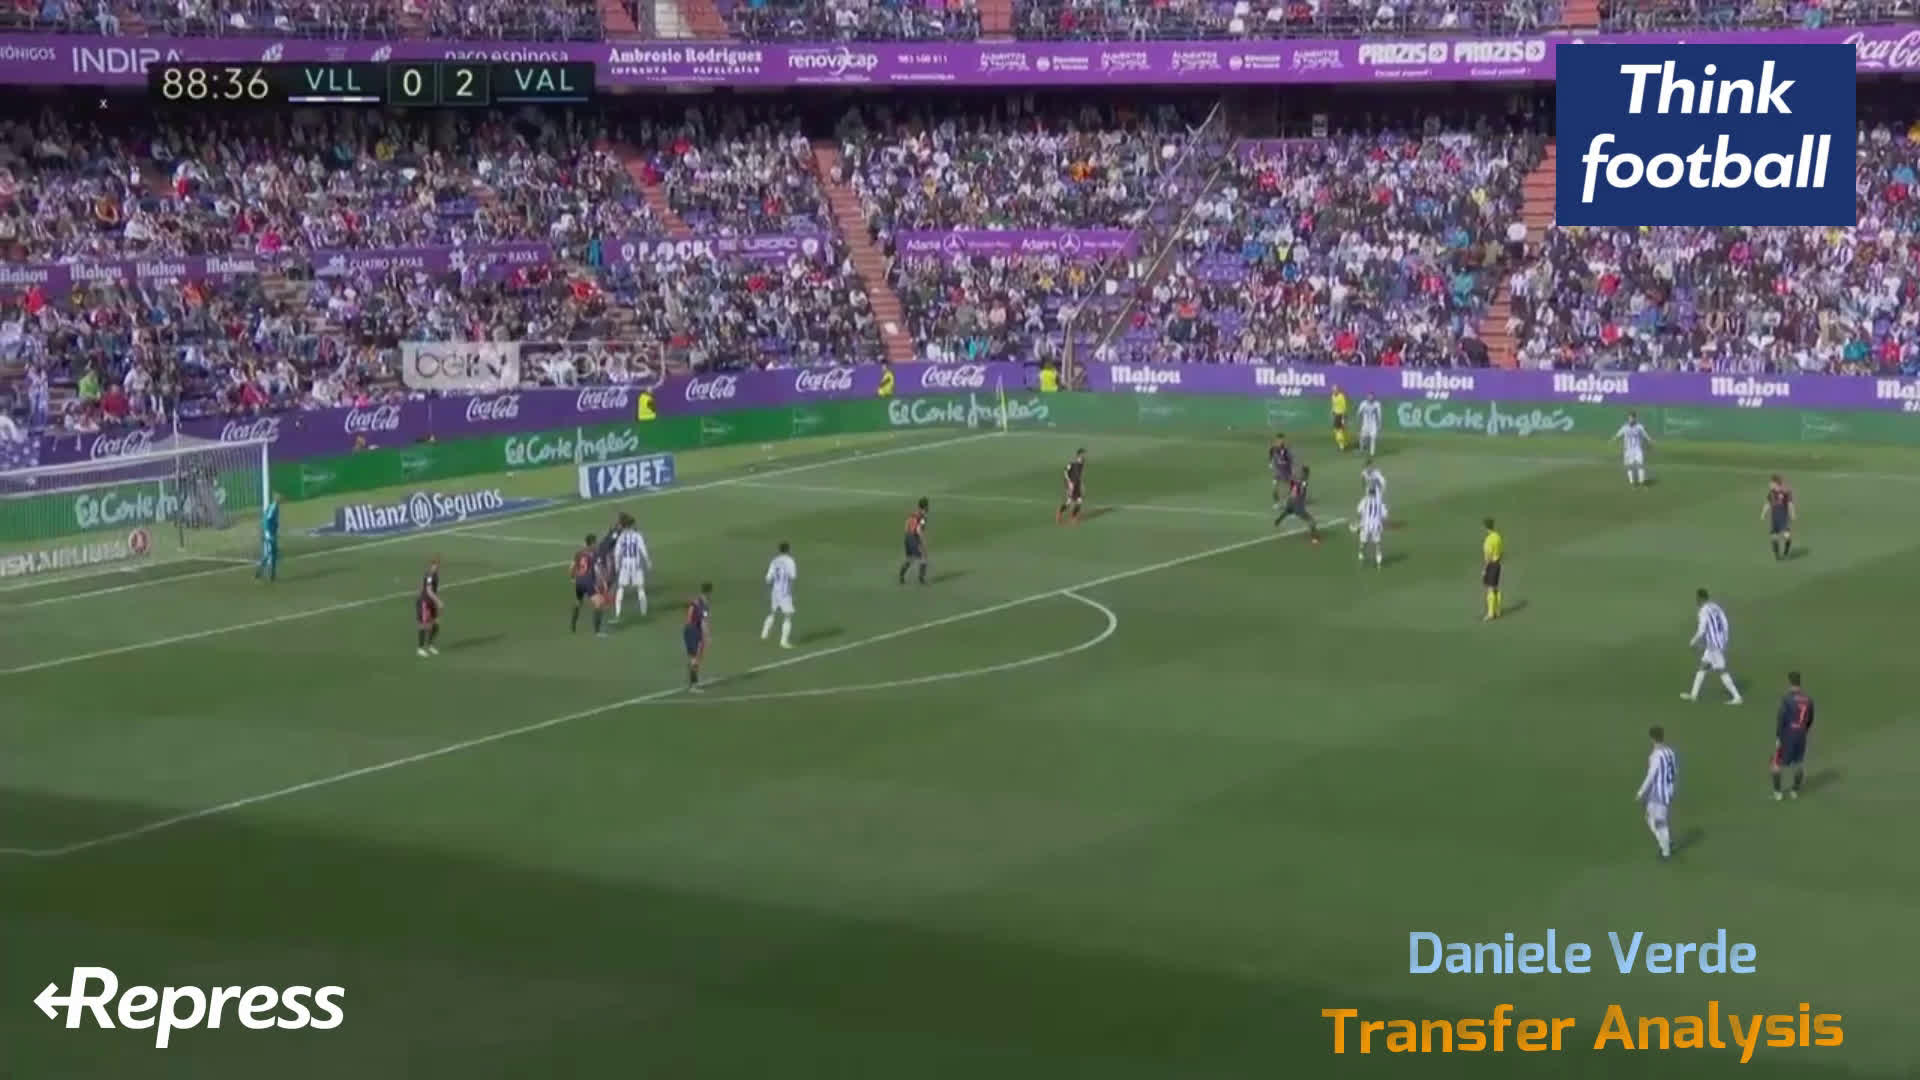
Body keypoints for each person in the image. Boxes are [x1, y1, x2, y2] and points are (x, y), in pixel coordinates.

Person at [1683, 588, 1743, 704]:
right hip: (1718, 642)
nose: (1696, 600)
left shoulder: (1703, 611)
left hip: (1714, 645)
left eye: (1697, 598)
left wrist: (1693, 641)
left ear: (1700, 598)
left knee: (1721, 670)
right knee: (1703, 666)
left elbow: (1702, 629)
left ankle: (1737, 697)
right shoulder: (1715, 607)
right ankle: (1693, 695)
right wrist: (1724, 638)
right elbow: (1725, 622)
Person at [1635, 725, 1677, 861]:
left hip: (1658, 793)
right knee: (1650, 818)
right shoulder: (1670, 752)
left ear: (1652, 738)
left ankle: (1666, 852)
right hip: (1667, 791)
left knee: (1659, 822)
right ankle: (1666, 842)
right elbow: (1674, 771)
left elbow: (1651, 776)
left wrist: (1641, 792)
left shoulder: (1656, 756)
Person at [1772, 671, 1815, 801]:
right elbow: (1810, 719)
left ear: (1789, 682)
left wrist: (1778, 737)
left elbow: (1781, 719)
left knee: (1776, 764)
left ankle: (1778, 793)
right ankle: (1795, 791)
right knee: (1798, 763)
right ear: (1799, 682)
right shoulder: (1808, 700)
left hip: (1788, 735)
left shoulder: (1787, 699)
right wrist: (1803, 731)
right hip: (1801, 735)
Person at [612, 513, 650, 620]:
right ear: (632, 525)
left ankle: (618, 613)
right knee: (640, 588)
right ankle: (643, 613)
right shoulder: (638, 536)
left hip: (625, 565)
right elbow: (643, 549)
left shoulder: (621, 537)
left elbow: (617, 552)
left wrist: (617, 565)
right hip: (636, 565)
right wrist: (648, 561)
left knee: (621, 588)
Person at [762, 541, 798, 649]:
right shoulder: (790, 561)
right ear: (788, 550)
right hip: (784, 592)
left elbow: (768, 578)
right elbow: (792, 577)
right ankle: (784, 642)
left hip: (775, 590)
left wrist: (773, 589)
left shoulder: (775, 561)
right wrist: (790, 592)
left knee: (773, 612)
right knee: (788, 616)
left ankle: (764, 633)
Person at [570, 535, 606, 636]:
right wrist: (603, 580)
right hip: (588, 582)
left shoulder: (578, 553)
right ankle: (597, 631)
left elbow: (572, 567)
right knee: (599, 603)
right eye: (595, 543)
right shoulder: (594, 554)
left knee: (578, 602)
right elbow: (598, 569)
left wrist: (572, 578)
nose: (596, 544)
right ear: (592, 543)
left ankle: (573, 624)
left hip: (579, 581)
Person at [1274, 465, 1321, 544]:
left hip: (1290, 501)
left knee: (1288, 511)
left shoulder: (1295, 480)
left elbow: (1291, 489)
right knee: (1311, 521)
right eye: (1307, 473)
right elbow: (1301, 491)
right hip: (1297, 504)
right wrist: (1305, 500)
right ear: (1306, 474)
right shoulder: (1304, 482)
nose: (1308, 475)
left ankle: (1278, 520)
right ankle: (1314, 538)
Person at [684, 582, 713, 691]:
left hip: (688, 629)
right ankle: (693, 685)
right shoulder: (704, 604)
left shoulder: (695, 601)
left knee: (694, 658)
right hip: (694, 630)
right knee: (696, 658)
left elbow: (689, 615)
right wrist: (707, 636)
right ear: (709, 592)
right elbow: (703, 622)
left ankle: (692, 681)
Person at [1612, 411, 1653, 487]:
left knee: (1640, 464)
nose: (1630, 419)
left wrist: (1649, 441)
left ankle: (1641, 482)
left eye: (1632, 418)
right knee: (1629, 466)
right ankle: (1632, 483)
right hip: (1628, 450)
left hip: (1638, 449)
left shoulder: (1640, 427)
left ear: (1635, 418)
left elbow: (1645, 435)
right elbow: (1618, 434)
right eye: (1629, 418)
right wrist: (1614, 439)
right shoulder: (1625, 427)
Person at [1763, 474, 1796, 560]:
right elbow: (1768, 503)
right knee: (1774, 536)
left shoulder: (1786, 492)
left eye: (1771, 483)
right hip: (1775, 518)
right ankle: (1777, 555)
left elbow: (1790, 503)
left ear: (1776, 483)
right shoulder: (1771, 493)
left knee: (1787, 536)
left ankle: (1786, 551)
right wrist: (1763, 513)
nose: (1769, 485)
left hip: (1783, 517)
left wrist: (1792, 513)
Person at [899, 498, 930, 585]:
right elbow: (919, 530)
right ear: (925, 507)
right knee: (924, 557)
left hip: (907, 537)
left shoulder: (912, 514)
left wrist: (908, 536)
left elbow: (906, 525)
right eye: (927, 506)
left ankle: (901, 575)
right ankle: (921, 579)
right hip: (913, 538)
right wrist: (923, 541)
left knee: (910, 558)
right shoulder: (923, 518)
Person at [416, 557, 443, 657]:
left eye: (438, 565)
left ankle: (430, 645)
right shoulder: (430, 575)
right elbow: (429, 590)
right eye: (435, 565)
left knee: (435, 624)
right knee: (424, 625)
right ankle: (420, 648)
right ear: (431, 565)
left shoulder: (435, 575)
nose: (436, 567)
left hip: (431, 602)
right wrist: (438, 601)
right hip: (425, 602)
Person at [1355, 489, 1386, 567]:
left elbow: (1358, 512)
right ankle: (1379, 563)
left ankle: (1361, 555)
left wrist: (1358, 523)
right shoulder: (1379, 502)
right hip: (1376, 526)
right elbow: (1384, 515)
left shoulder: (1364, 501)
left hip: (1365, 525)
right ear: (1375, 494)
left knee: (1363, 542)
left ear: (1368, 493)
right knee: (1377, 544)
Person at [256, 490, 281, 582]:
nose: (280, 499)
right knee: (270, 553)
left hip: (271, 533)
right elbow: (267, 520)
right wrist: (268, 534)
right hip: (269, 534)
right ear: (275, 498)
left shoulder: (275, 507)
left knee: (273, 553)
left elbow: (268, 520)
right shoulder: (273, 507)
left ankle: (271, 575)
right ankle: (260, 573)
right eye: (278, 497)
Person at [1481, 517, 1503, 622]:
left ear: (1485, 527)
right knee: (1496, 588)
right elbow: (1501, 551)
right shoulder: (1498, 536)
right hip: (1498, 563)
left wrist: (1485, 569)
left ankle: (1490, 614)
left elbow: (1488, 556)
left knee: (1490, 588)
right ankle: (1497, 611)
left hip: (1491, 565)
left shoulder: (1488, 540)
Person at [1058, 449, 1086, 525]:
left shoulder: (1082, 464)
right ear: (1078, 455)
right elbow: (1065, 472)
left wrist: (1082, 484)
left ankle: (1073, 517)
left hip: (1077, 485)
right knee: (1069, 502)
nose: (1084, 456)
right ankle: (1060, 513)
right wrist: (1069, 482)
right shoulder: (1072, 464)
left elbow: (1080, 475)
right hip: (1072, 485)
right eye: (1082, 454)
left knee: (1079, 501)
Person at [1268, 434, 1295, 514]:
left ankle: (1288, 502)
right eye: (1279, 440)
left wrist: (1287, 464)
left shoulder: (1286, 450)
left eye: (1282, 440)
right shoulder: (1273, 449)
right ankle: (1277, 503)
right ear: (1277, 440)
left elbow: (1291, 460)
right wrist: (1270, 463)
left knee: (1286, 488)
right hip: (1277, 472)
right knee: (1275, 488)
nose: (1280, 442)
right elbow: (1270, 456)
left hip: (1286, 471)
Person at [1357, 392, 1382, 456]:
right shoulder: (1363, 404)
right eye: (1369, 397)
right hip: (1365, 424)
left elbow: (1379, 415)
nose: (1370, 398)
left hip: (1373, 424)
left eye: (1372, 397)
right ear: (1367, 397)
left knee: (1373, 438)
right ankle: (1361, 450)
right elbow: (1359, 413)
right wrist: (1359, 422)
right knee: (1362, 438)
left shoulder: (1377, 404)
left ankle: (1372, 453)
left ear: (1374, 397)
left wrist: (1379, 424)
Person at [1330, 384, 1350, 452]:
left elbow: (1344, 407)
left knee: (1339, 430)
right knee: (1338, 430)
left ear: (1338, 390)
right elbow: (1333, 405)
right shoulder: (1333, 396)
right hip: (1336, 415)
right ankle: (1343, 444)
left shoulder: (1341, 396)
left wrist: (1343, 417)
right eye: (1333, 390)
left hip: (1340, 415)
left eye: (1335, 390)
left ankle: (1342, 445)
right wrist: (1332, 411)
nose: (1334, 391)